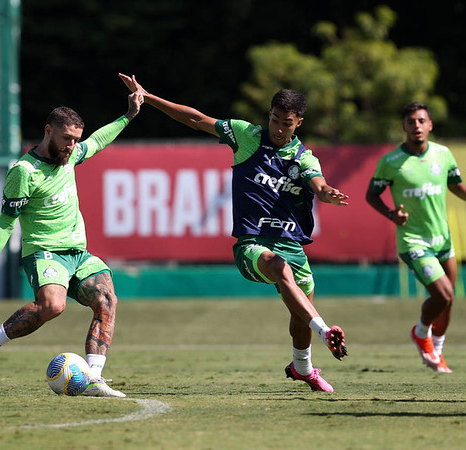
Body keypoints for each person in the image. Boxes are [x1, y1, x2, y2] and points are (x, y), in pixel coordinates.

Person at [118, 74, 348, 392]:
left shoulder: (304, 157)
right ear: (269, 115)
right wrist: (149, 96)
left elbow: (317, 182)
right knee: (280, 271)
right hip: (251, 245)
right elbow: (197, 119)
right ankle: (325, 332)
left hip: (292, 245)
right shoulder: (247, 135)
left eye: (287, 123)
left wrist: (325, 193)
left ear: (299, 123)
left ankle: (302, 367)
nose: (279, 129)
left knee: (299, 311)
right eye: (274, 120)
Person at [0, 92, 144, 397]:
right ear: (48, 131)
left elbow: (99, 140)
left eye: (76, 139)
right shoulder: (23, 172)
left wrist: (128, 115)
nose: (72, 145)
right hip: (43, 252)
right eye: (66, 138)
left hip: (79, 253)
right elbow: (6, 223)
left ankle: (93, 378)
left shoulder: (73, 155)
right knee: (53, 306)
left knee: (107, 300)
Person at [366, 102, 466, 373]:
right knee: (443, 294)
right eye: (411, 121)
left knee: (448, 301)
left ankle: (436, 352)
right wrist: (392, 214)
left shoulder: (443, 154)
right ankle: (420, 332)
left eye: (421, 121)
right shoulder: (391, 162)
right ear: (404, 126)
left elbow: (456, 186)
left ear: (430, 125)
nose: (416, 125)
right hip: (413, 241)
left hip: (443, 240)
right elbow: (371, 195)